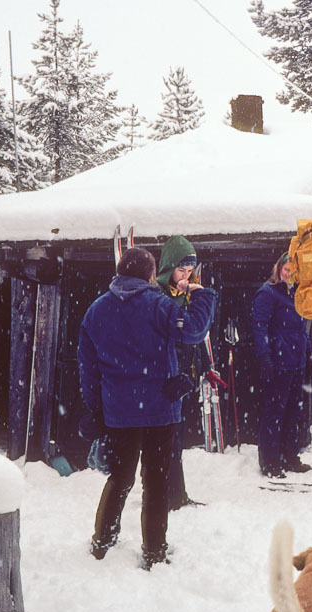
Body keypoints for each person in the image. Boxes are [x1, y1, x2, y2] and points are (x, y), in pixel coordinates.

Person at [78, 246, 216, 569]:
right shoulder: (159, 305)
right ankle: (154, 551)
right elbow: (194, 330)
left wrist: (96, 409)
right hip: (159, 410)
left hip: (119, 412)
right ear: (151, 274)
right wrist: (203, 295)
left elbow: (88, 368)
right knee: (156, 483)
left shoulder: (96, 311)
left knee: (120, 477)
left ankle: (103, 541)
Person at [155, 235, 210, 510]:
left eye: (189, 271)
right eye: (181, 270)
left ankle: (177, 493)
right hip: (166, 381)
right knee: (167, 441)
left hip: (184, 378)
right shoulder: (160, 298)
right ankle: (166, 495)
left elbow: (196, 338)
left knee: (177, 439)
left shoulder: (182, 296)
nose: (185, 277)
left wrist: (206, 365)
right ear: (168, 268)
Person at [252, 252, 312, 478]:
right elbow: (259, 327)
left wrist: (307, 353)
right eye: (286, 269)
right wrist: (264, 356)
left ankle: (289, 456)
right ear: (278, 269)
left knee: (293, 411)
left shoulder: (298, 293)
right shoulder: (267, 293)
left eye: (293, 270)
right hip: (278, 360)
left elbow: (301, 327)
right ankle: (269, 461)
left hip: (295, 360)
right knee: (275, 411)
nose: (288, 274)